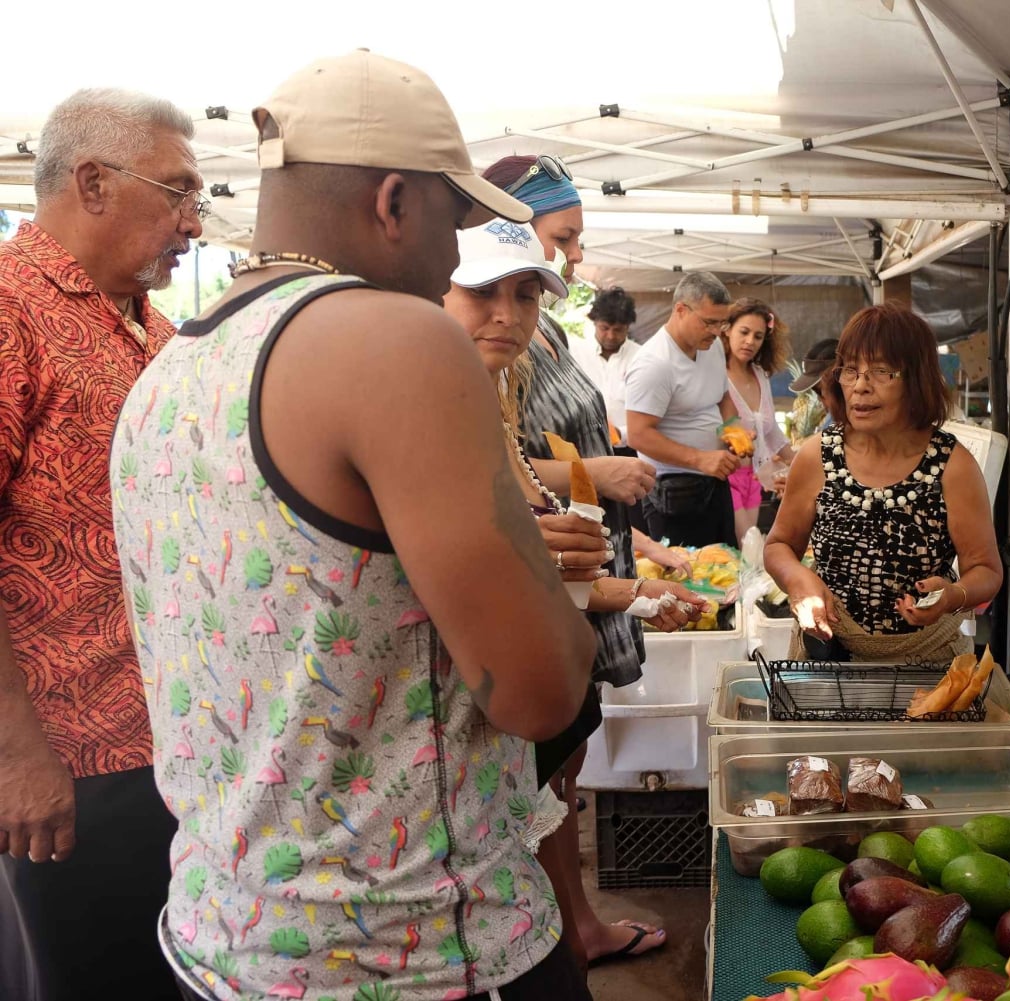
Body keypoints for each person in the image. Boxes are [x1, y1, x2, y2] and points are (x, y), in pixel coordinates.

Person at [109, 51, 600, 1001]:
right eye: (454, 224)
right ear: (392, 202)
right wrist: (548, 585)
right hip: (412, 952)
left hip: (226, 943)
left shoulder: (172, 368)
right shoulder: (395, 338)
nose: (456, 261)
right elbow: (538, 692)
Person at [443, 214, 705, 970]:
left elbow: (531, 533)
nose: (508, 314)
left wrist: (627, 587)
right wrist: (544, 550)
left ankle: (564, 930)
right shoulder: (431, 400)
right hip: (475, 721)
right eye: (484, 292)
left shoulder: (494, 387)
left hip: (522, 698)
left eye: (526, 295)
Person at [0, 87, 205, 1001]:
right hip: (69, 759)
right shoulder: (11, 311)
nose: (193, 224)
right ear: (91, 182)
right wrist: (16, 754)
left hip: (169, 741)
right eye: (178, 194)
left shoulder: (152, 329)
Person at [764, 304, 1003, 662]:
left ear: (917, 379)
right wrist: (800, 580)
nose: (860, 386)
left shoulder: (953, 465)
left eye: (881, 371)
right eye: (850, 371)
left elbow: (986, 570)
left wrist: (953, 595)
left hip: (925, 660)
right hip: (829, 656)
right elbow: (779, 545)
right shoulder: (818, 455)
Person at [626, 272, 741, 547]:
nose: (716, 331)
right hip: (673, 491)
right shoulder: (654, 363)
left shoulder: (711, 346)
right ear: (680, 310)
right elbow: (638, 435)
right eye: (709, 322)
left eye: (722, 323)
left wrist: (733, 428)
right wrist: (700, 459)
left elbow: (722, 394)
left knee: (725, 565)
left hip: (714, 480)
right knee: (686, 576)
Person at [722, 297, 794, 541]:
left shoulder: (760, 375)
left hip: (754, 478)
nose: (750, 341)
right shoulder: (716, 374)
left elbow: (772, 430)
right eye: (744, 332)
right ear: (727, 329)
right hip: (725, 477)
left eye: (758, 336)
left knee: (750, 550)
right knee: (745, 543)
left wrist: (797, 462)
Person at [570, 286, 641, 445]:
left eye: (618, 330)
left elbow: (650, 413)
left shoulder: (641, 357)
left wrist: (620, 434)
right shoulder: (575, 354)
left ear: (628, 327)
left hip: (629, 449)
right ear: (594, 322)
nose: (610, 336)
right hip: (584, 446)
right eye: (605, 328)